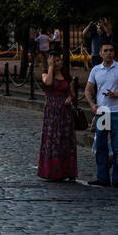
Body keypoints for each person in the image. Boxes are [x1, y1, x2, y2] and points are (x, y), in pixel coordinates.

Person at [85, 42, 118, 188]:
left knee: (117, 146)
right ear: (100, 53)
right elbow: (88, 90)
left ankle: (117, 178)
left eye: (111, 50)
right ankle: (102, 177)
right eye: (105, 50)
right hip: (102, 112)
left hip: (117, 111)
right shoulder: (95, 70)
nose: (108, 53)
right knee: (101, 145)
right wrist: (92, 105)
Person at [37, 43, 78, 181]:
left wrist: (70, 98)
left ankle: (68, 171)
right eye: (53, 60)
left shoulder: (67, 76)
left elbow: (73, 94)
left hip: (65, 113)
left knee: (65, 141)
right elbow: (48, 83)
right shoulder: (45, 73)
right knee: (52, 140)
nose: (56, 62)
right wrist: (50, 67)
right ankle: (52, 172)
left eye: (58, 60)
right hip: (51, 112)